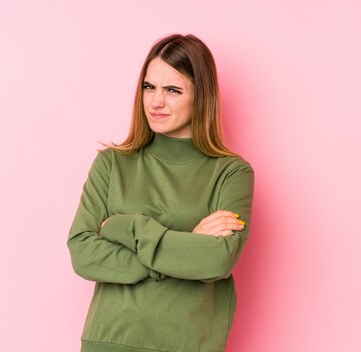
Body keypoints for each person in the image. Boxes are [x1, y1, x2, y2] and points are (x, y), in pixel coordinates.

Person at [67, 33, 254, 352]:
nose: (155, 101)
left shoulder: (231, 173)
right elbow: (83, 253)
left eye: (173, 90)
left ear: (201, 96)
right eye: (149, 87)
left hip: (187, 344)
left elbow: (216, 261)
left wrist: (125, 228)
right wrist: (186, 244)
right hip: (109, 340)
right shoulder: (112, 163)